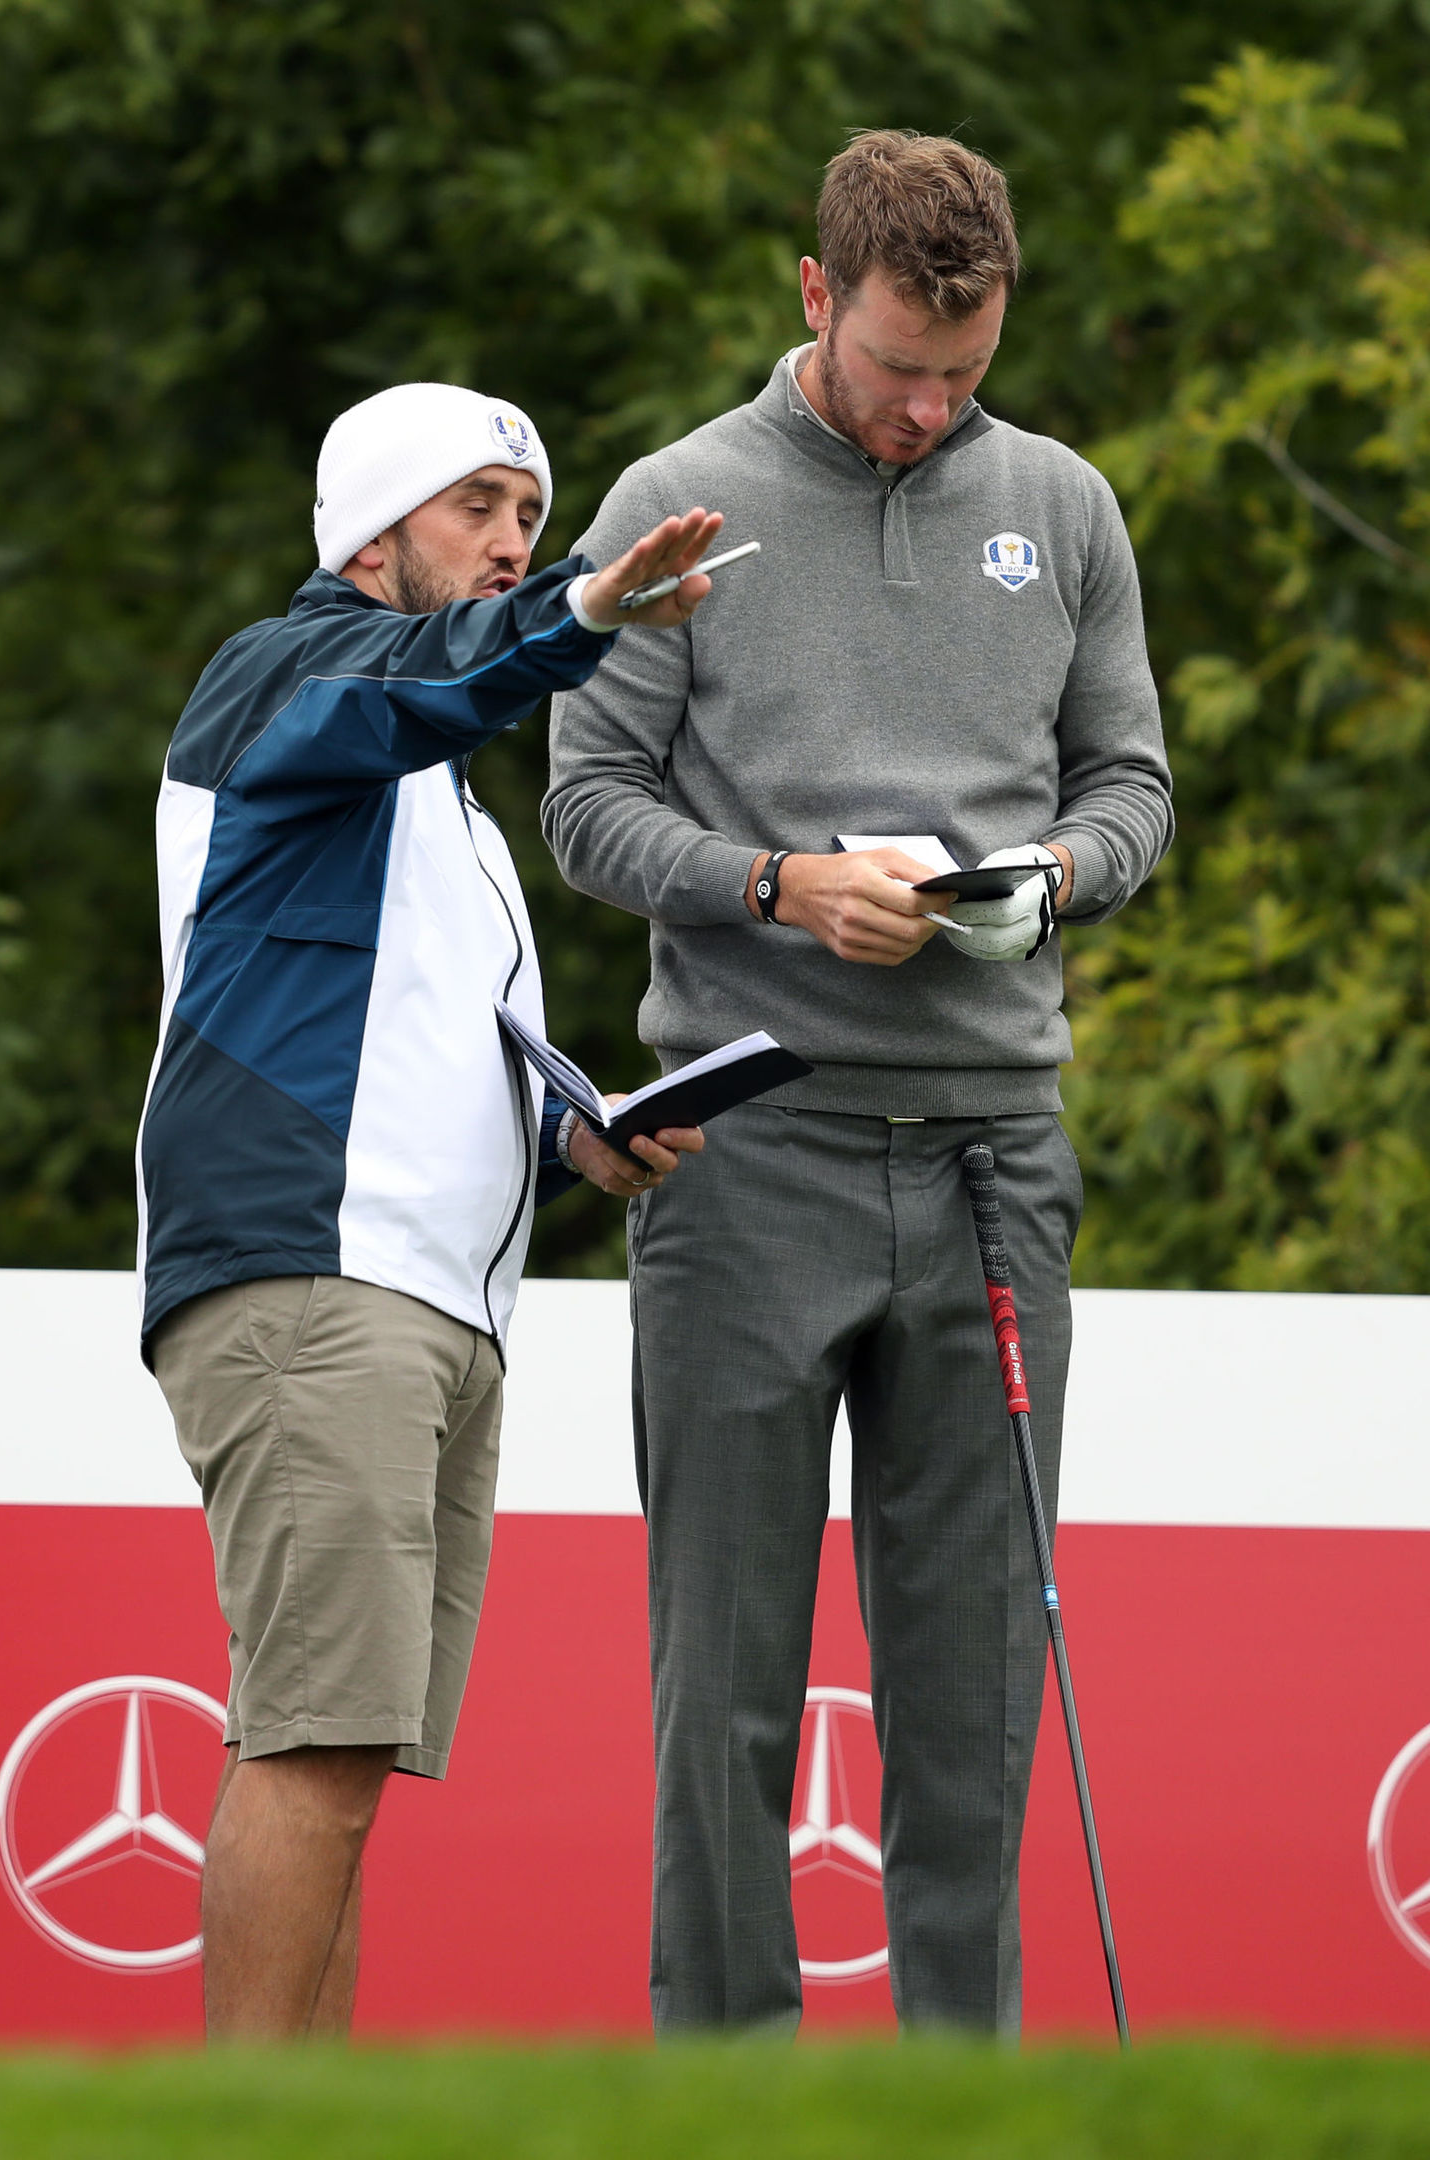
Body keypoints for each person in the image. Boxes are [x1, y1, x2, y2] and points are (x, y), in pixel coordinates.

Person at [542, 131, 1174, 2035]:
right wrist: (779, 887)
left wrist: (1049, 882)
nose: (925, 411)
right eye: (900, 366)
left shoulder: (1057, 505)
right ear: (815, 297)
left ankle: (953, 2104)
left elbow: (1129, 793)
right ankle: (732, 2101)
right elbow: (581, 804)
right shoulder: (677, 500)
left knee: (973, 1688)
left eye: (962, 378)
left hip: (993, 1149)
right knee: (720, 1684)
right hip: (746, 1153)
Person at [137, 381, 727, 2041]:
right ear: (370, 532)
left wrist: (573, 1146)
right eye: (476, 507)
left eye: (529, 521)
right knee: (312, 1749)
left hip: (422, 1303)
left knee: (337, 1761)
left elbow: (398, 1069)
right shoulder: (289, 675)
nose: (509, 542)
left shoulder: (437, 800)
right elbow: (425, 680)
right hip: (319, 1287)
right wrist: (584, 610)